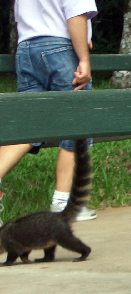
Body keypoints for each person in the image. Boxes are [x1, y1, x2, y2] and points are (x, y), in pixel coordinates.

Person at [0, 0, 98, 225]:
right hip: (60, 48)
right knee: (76, 126)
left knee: (29, 127)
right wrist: (83, 57)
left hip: (26, 49)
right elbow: (75, 13)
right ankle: (63, 203)